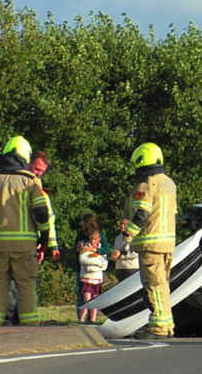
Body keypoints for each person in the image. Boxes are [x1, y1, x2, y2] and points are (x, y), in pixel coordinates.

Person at [0, 136, 51, 326]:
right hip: (24, 246)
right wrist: (44, 237)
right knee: (26, 287)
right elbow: (42, 213)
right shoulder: (31, 180)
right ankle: (29, 330)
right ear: (25, 157)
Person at [122, 142, 177, 340]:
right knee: (163, 285)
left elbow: (141, 215)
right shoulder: (169, 183)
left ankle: (158, 328)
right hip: (167, 243)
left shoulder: (146, 184)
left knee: (153, 286)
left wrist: (126, 236)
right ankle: (167, 323)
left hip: (150, 244)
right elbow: (174, 215)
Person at [4, 150, 60, 325]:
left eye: (42, 171)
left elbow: (48, 218)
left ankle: (18, 321)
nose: (39, 173)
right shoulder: (18, 185)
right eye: (37, 169)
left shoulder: (37, 189)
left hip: (30, 244)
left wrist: (50, 245)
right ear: (28, 163)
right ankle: (11, 321)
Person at [73, 214, 110, 320]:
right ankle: (80, 317)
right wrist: (79, 248)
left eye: (83, 222)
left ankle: (92, 318)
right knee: (82, 296)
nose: (81, 224)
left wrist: (95, 251)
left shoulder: (99, 236)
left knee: (95, 297)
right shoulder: (80, 235)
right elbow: (77, 252)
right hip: (82, 270)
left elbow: (106, 250)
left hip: (96, 274)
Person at [77, 230, 108, 323]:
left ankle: (92, 320)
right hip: (86, 278)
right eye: (91, 239)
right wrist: (97, 262)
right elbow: (83, 261)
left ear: (98, 239)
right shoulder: (85, 248)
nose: (93, 242)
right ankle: (81, 319)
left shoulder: (101, 250)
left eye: (95, 240)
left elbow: (104, 265)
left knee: (95, 300)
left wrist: (98, 264)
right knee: (87, 300)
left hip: (97, 278)